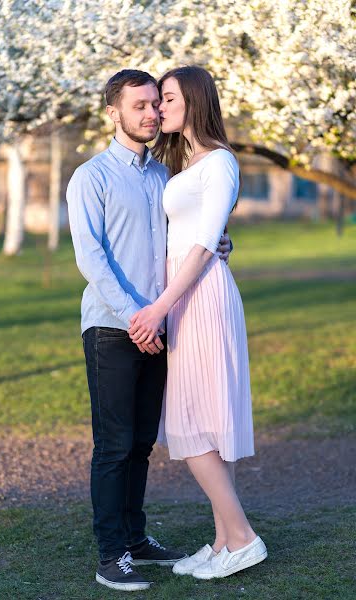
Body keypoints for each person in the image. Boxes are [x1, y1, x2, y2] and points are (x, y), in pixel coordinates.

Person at [66, 69, 232, 592]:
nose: (151, 114)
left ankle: (137, 539)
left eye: (154, 105)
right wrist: (136, 318)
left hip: (158, 325)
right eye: (138, 106)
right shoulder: (89, 177)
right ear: (113, 113)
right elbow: (92, 260)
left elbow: (189, 238)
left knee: (141, 444)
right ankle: (111, 554)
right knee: (113, 446)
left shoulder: (162, 176)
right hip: (114, 329)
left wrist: (221, 246)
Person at [128, 66, 268, 580]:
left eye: (166, 98)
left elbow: (206, 242)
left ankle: (245, 537)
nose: (158, 108)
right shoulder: (185, 162)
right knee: (203, 421)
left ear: (193, 100)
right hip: (185, 295)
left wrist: (160, 306)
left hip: (200, 298)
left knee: (192, 422)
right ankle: (223, 541)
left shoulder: (220, 162)